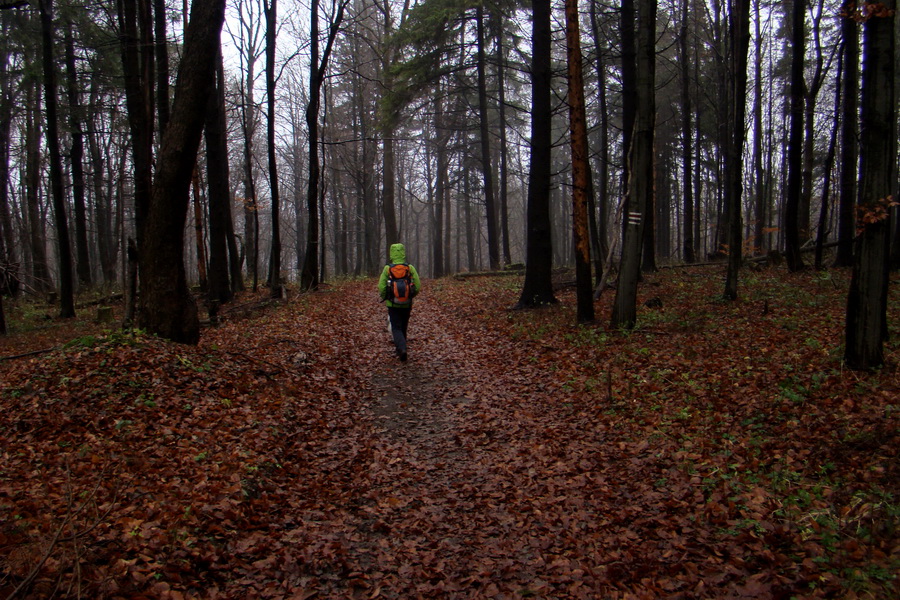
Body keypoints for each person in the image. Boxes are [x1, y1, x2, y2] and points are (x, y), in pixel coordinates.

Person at [378, 243, 421, 361]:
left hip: (393, 304)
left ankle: (401, 349)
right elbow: (417, 285)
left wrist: (386, 296)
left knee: (396, 327)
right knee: (403, 326)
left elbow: (381, 286)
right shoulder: (409, 268)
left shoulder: (388, 268)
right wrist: (411, 296)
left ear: (391, 253)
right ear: (403, 253)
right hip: (407, 303)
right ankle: (402, 348)